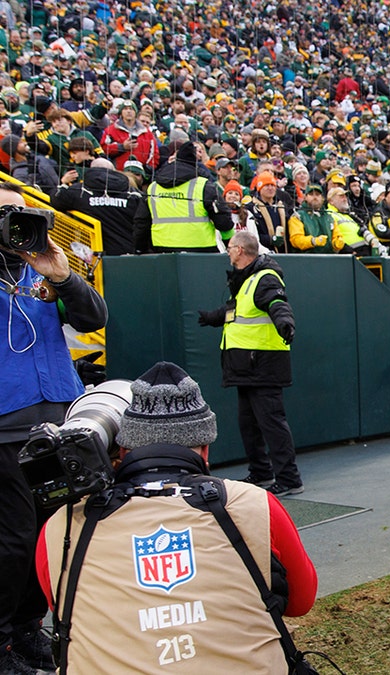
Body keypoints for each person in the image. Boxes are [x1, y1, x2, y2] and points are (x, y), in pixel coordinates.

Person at [35, 362, 317, 672]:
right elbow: (301, 601)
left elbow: (63, 609)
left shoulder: (62, 526)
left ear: (122, 451)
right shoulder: (253, 503)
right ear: (205, 450)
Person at [0, 182, 107, 675]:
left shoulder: (41, 270)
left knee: (51, 533)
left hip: (58, 419)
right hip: (5, 425)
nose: (15, 222)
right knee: (14, 537)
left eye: (20, 213)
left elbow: (92, 318)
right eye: (5, 215)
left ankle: (26, 630)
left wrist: (63, 276)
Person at [197, 231, 303, 496]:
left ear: (241, 250)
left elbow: (278, 303)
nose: (228, 252)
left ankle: (289, 479)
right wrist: (212, 317)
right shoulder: (247, 280)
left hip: (263, 365)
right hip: (245, 366)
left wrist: (285, 323)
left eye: (230, 247)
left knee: (272, 424)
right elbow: (236, 311)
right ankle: (261, 472)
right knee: (249, 424)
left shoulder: (264, 278)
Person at [134, 141, 234, 253]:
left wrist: (140, 248)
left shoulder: (153, 187)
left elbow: (141, 222)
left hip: (162, 248)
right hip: (201, 249)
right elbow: (223, 220)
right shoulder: (203, 186)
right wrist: (229, 244)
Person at [49, 157, 143, 256]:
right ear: (113, 171)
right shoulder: (133, 194)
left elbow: (56, 199)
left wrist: (63, 183)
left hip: (93, 257)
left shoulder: (79, 191)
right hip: (128, 254)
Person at [287, 184, 344, 253]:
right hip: (306, 258)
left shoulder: (329, 217)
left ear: (322, 198)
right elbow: (295, 239)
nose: (315, 197)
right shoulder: (298, 216)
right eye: (311, 194)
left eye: (317, 194)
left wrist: (337, 243)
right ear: (305, 197)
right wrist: (313, 241)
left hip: (329, 258)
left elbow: (337, 236)